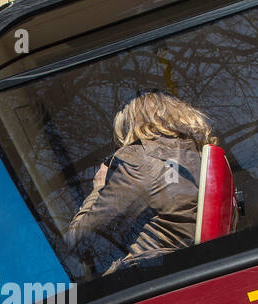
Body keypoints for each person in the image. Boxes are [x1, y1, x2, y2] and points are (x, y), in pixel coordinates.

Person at [64, 91, 220, 276]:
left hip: (147, 283)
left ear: (131, 126)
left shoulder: (140, 161)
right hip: (192, 273)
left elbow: (79, 242)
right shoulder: (203, 158)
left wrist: (99, 187)